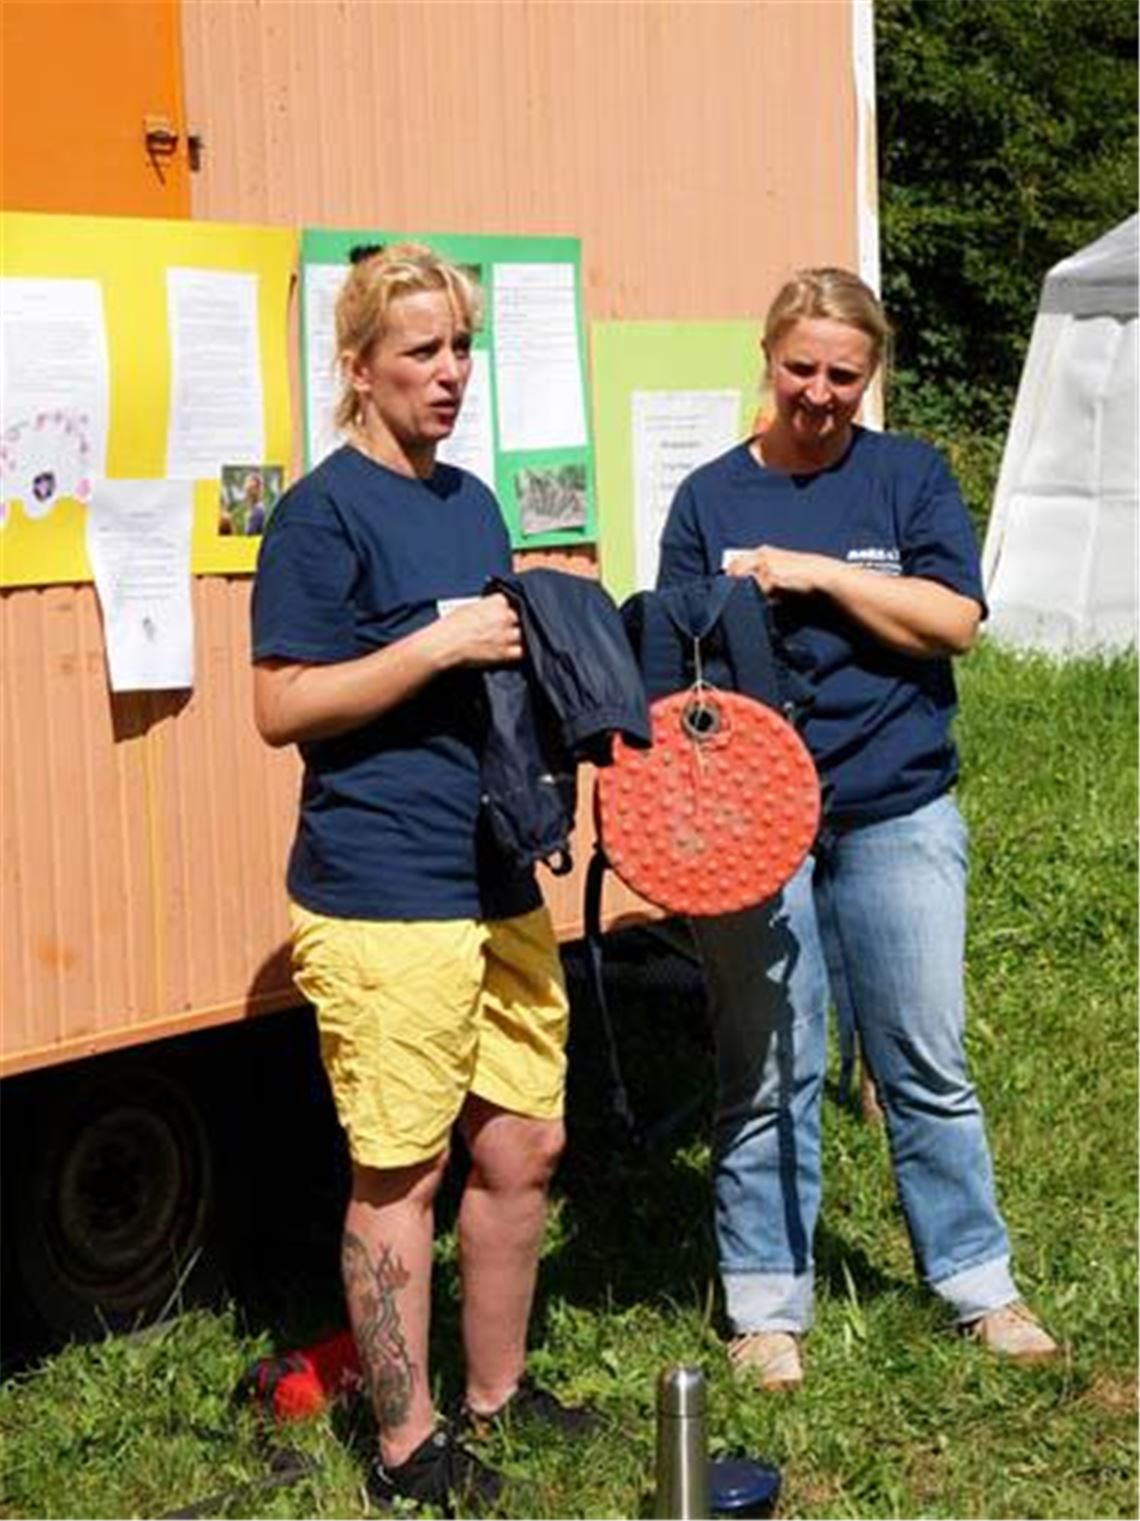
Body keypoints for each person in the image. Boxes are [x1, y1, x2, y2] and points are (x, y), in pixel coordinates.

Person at [657, 266, 1060, 1392]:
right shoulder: (706, 499)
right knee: (769, 1064)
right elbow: (675, 668)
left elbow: (955, 623)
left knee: (924, 1057)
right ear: (767, 357)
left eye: (844, 374)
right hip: (754, 825)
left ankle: (979, 1284)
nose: (820, 394)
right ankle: (766, 1308)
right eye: (801, 369)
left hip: (899, 808)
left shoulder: (908, 478)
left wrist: (818, 575)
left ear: (869, 375)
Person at [251, 243, 591, 1514]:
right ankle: (406, 1447)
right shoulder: (320, 514)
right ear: (358, 368)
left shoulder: (470, 501)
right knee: (402, 1171)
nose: (450, 374)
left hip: (495, 867)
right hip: (381, 889)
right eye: (422, 352)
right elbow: (282, 705)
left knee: (526, 1143)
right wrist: (436, 643)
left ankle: (499, 1396)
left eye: (461, 347)